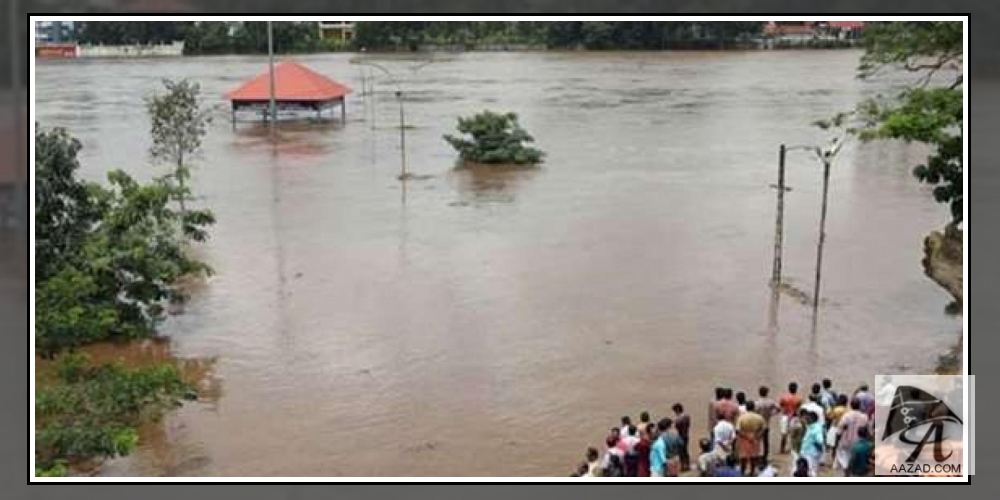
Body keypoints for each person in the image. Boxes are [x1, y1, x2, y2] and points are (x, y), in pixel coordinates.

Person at [834, 397, 870, 471]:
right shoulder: (864, 417)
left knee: (845, 462)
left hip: (846, 442)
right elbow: (867, 431)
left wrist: (836, 443)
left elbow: (839, 430)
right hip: (858, 443)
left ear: (850, 405)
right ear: (859, 405)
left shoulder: (846, 416)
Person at [735, 400, 766, 476]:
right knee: (754, 457)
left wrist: (746, 437)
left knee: (743, 457)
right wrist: (758, 436)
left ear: (746, 408)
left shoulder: (741, 417)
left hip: (744, 439)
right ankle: (752, 473)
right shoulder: (759, 417)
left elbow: (737, 430)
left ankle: (742, 473)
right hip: (755, 438)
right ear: (754, 407)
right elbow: (764, 429)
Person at [755, 385, 779, 465]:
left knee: (757, 441)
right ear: (767, 393)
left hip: (758, 425)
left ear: (759, 393)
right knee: (766, 442)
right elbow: (778, 408)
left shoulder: (757, 403)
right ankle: (765, 458)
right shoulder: (770, 402)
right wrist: (772, 414)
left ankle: (757, 457)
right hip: (766, 423)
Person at [799, 409, 825, 477]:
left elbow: (819, 442)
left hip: (811, 454)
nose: (806, 419)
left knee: (811, 472)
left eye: (808, 418)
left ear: (812, 419)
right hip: (807, 453)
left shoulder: (816, 428)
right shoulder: (810, 427)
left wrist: (819, 452)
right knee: (807, 472)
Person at [779, 382, 803, 453]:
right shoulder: (798, 398)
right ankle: (794, 448)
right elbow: (799, 409)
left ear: (789, 389)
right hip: (794, 417)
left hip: (785, 416)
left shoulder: (784, 397)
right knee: (795, 434)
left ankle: (782, 449)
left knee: (784, 434)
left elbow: (781, 405)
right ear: (796, 389)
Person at [672, 403, 692, 472]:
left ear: (677, 410)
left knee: (681, 452)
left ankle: (683, 465)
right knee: (685, 451)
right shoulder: (687, 416)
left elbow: (677, 426)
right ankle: (687, 465)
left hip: (680, 436)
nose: (674, 412)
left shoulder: (679, 419)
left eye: (675, 411)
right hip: (686, 435)